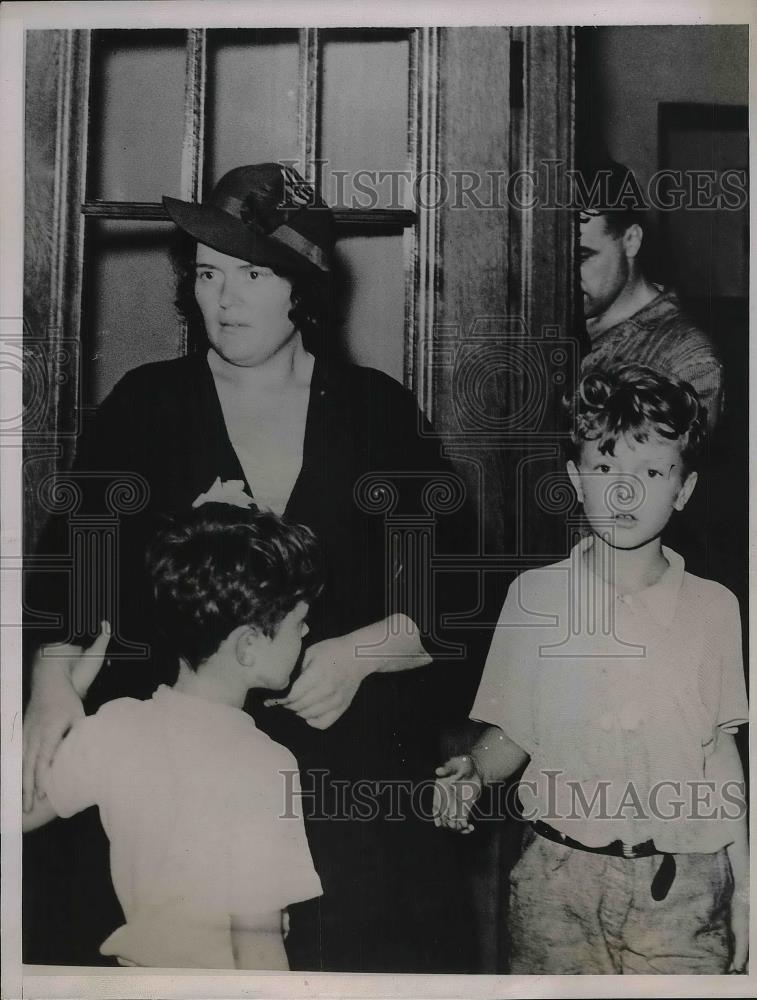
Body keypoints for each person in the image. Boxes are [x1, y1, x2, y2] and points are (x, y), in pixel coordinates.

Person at [23, 163, 475, 972]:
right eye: (206, 273)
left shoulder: (375, 411)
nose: (222, 300)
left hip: (350, 778)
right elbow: (73, 569)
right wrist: (53, 686)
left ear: (301, 288)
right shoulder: (146, 404)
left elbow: (457, 590)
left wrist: (356, 653)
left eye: (252, 274)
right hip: (180, 774)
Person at [434, 363, 748, 974]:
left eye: (652, 472)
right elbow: (516, 731)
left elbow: (719, 754)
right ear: (577, 479)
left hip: (681, 886)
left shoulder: (715, 608)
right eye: (606, 469)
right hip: (556, 885)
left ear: (684, 489)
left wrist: (749, 891)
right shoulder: (534, 597)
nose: (625, 492)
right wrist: (473, 772)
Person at [23, 504, 323, 969]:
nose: (307, 632)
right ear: (247, 646)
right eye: (298, 624)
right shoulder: (266, 763)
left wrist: (71, 691)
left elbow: (15, 812)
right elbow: (258, 947)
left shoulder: (115, 725)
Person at [577, 161, 723, 431]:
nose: (567, 274)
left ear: (631, 240)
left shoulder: (688, 360)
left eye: (582, 256)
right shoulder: (553, 317)